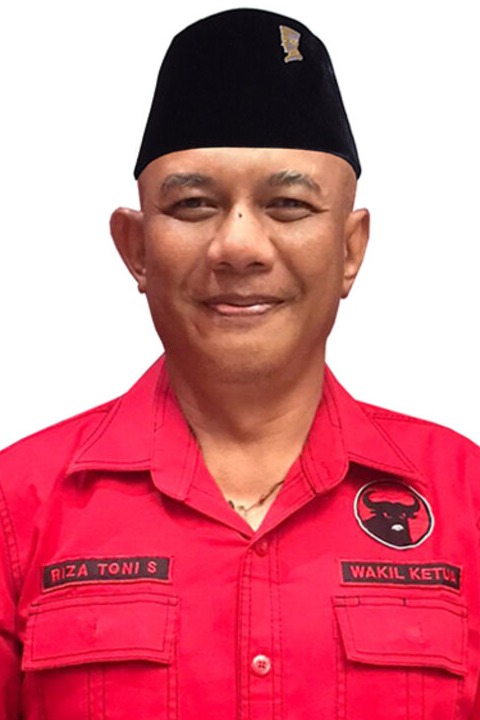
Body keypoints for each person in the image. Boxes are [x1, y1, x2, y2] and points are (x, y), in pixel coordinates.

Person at [1, 8, 479, 719]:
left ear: (350, 250)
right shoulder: (19, 507)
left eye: (288, 204)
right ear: (136, 248)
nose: (240, 247)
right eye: (195, 204)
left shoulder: (466, 498)